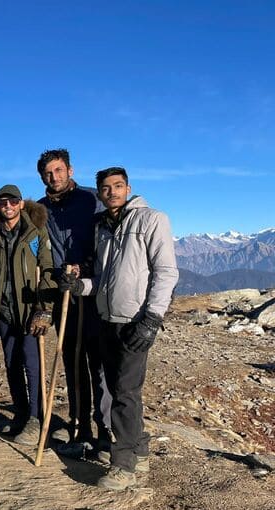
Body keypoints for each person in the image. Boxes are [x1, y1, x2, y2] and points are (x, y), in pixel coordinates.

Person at [59, 167, 178, 490]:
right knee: (119, 389)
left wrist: (152, 318)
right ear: (99, 192)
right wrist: (79, 286)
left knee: (124, 391)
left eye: (118, 186)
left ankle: (123, 464)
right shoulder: (103, 227)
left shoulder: (152, 219)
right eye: (106, 188)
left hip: (136, 321)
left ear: (128, 188)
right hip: (107, 319)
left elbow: (166, 272)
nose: (112, 192)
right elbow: (102, 279)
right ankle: (139, 450)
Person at [37, 148, 113, 453]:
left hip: (94, 290)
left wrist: (86, 266)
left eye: (58, 170)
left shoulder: (92, 200)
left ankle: (105, 428)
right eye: (48, 173)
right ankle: (79, 425)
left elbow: (109, 240)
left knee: (100, 361)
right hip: (63, 293)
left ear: (70, 170)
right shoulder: (40, 210)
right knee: (72, 359)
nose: (53, 177)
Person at [0, 185, 54, 445]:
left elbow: (47, 267)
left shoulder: (35, 231)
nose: (8, 206)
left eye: (13, 201)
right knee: (12, 363)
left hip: (29, 309)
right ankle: (21, 414)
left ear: (21, 204)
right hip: (4, 309)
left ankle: (35, 417)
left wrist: (45, 308)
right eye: (3, 202)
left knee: (32, 363)